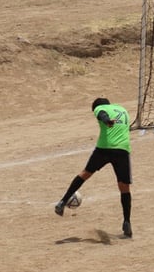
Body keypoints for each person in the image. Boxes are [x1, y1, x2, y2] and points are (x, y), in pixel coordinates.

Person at [54, 97, 134, 238]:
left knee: (85, 173)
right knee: (124, 187)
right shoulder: (123, 110)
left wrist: (106, 121)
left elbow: (102, 115)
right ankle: (127, 221)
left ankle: (62, 201)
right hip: (122, 149)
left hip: (104, 149)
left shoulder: (100, 108)